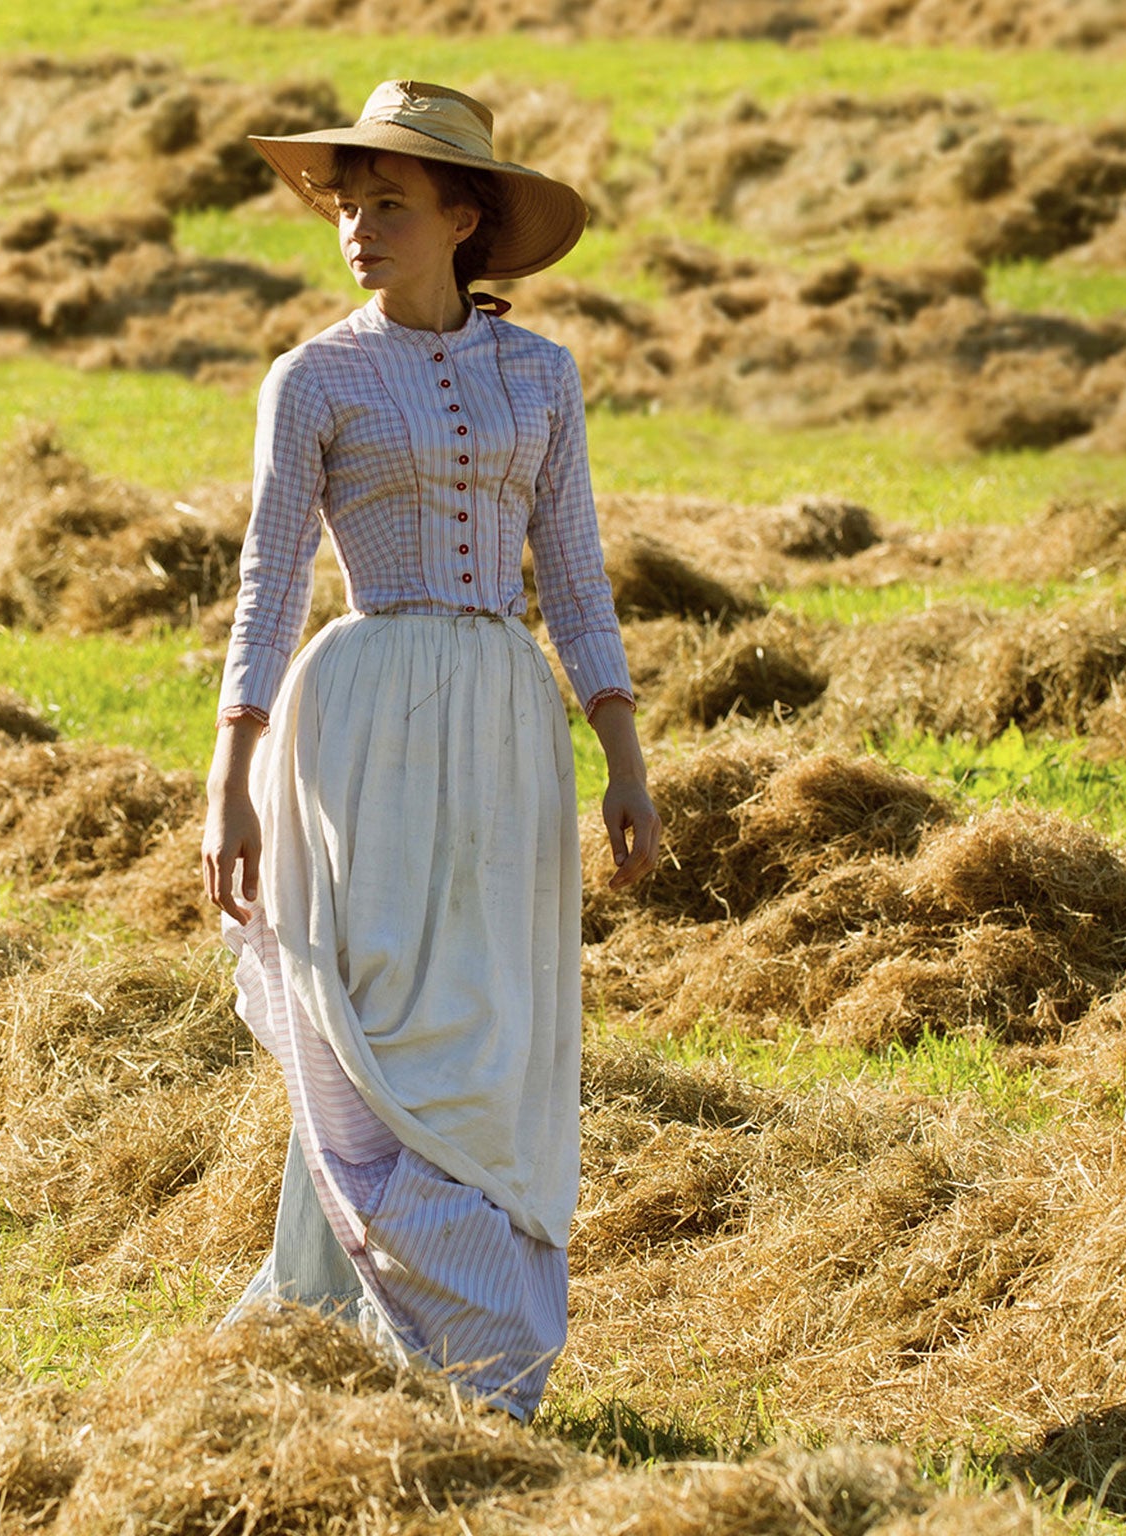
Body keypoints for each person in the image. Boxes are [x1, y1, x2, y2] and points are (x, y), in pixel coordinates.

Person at [201, 80, 661, 1418]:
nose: (358, 226)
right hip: (359, 718)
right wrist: (230, 777)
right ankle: (398, 1320)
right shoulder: (315, 379)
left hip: (510, 728)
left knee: (487, 1023)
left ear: (466, 216)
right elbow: (269, 583)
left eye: (389, 202)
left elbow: (573, 578)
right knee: (378, 1012)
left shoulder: (543, 376)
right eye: (347, 202)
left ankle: (469, 1343)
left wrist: (623, 751)